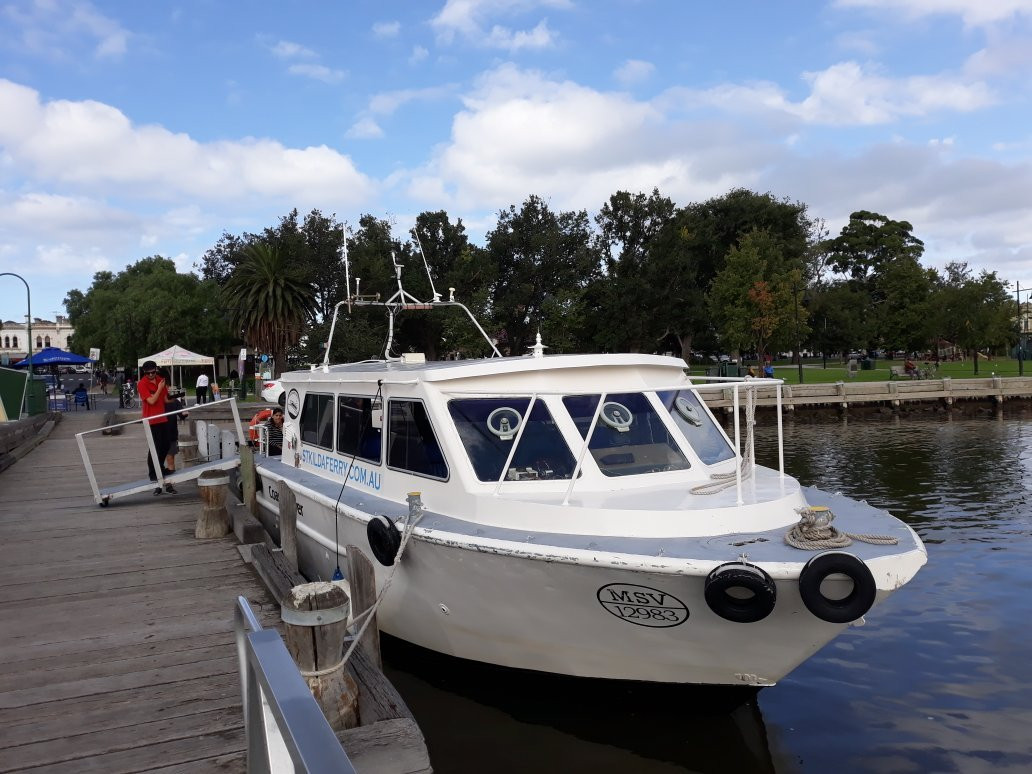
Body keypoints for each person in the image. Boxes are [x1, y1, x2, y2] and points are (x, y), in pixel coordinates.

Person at [139, 360, 171, 495]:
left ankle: (160, 467)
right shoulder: (142, 384)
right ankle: (153, 473)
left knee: (166, 445)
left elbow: (164, 400)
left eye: (153, 372)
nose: (151, 375)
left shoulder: (160, 380)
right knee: (155, 447)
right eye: (148, 373)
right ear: (144, 373)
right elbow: (151, 401)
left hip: (162, 417)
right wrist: (159, 388)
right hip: (151, 419)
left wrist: (176, 397)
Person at [163, 388, 189, 492]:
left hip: (171, 434)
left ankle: (169, 485)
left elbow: (181, 415)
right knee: (158, 461)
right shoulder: (157, 402)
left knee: (170, 460)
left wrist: (184, 414)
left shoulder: (175, 401)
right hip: (159, 434)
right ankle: (158, 485)